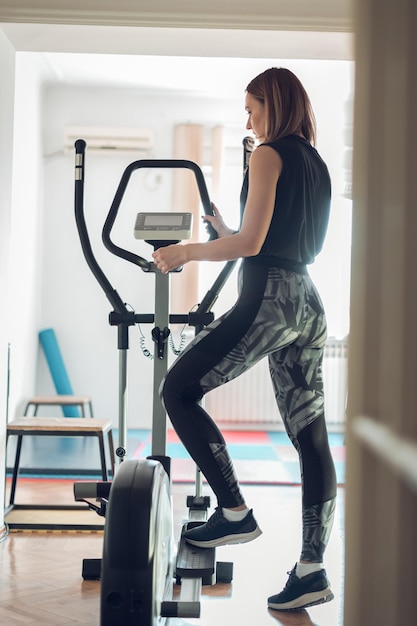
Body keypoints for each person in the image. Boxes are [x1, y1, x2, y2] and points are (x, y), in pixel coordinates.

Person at [152, 67, 337, 612]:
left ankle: (234, 512)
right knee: (312, 439)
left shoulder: (267, 152)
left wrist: (185, 252)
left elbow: (254, 243)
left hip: (271, 299)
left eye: (252, 106)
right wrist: (220, 233)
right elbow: (279, 236)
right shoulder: (318, 162)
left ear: (272, 103)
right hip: (308, 303)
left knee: (178, 390)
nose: (248, 117)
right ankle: (311, 569)